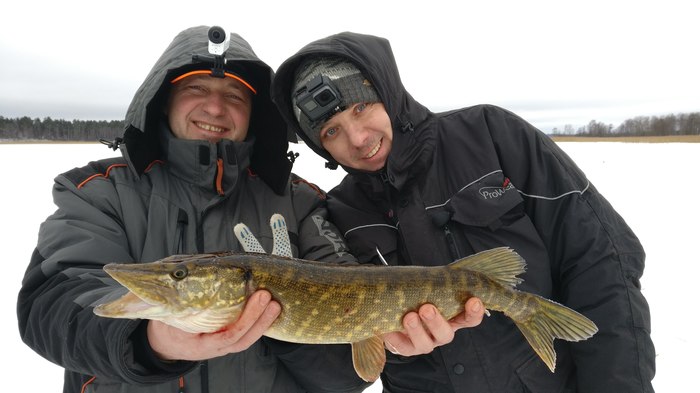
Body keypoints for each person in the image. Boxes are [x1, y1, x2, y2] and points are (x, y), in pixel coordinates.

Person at [271, 32, 656, 392]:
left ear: (387, 93)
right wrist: (396, 352)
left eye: (361, 107)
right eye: (331, 132)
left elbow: (602, 262)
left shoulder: (491, 136)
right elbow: (351, 350)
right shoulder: (338, 211)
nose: (358, 139)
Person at [17, 25, 376, 393]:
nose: (216, 108)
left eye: (235, 96)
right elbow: (51, 307)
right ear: (164, 98)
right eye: (196, 88)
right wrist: (150, 341)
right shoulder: (99, 192)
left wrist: (280, 317)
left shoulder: (299, 201)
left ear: (254, 113)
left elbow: (347, 373)